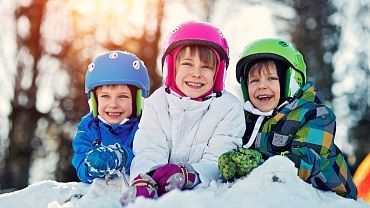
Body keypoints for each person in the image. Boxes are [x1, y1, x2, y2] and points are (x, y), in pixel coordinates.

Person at [119, 21, 245, 206]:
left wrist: (190, 173)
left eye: (206, 67)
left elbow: (218, 159)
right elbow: (149, 149)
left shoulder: (229, 108)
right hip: (160, 185)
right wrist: (145, 178)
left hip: (204, 196)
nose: (196, 73)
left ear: (218, 73)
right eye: (187, 64)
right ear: (171, 67)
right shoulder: (157, 102)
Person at [218, 38, 357, 199]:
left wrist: (258, 164)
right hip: (276, 194)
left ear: (291, 81)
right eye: (254, 80)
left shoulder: (316, 114)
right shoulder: (246, 120)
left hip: (328, 197)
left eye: (271, 78)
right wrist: (233, 162)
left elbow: (307, 161)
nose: (261, 85)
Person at [72, 51, 150, 183]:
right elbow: (80, 162)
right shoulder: (88, 128)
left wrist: (123, 156)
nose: (113, 104)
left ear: (137, 100)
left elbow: (147, 157)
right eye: (105, 96)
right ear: (94, 101)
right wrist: (91, 167)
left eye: (123, 96)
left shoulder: (145, 126)